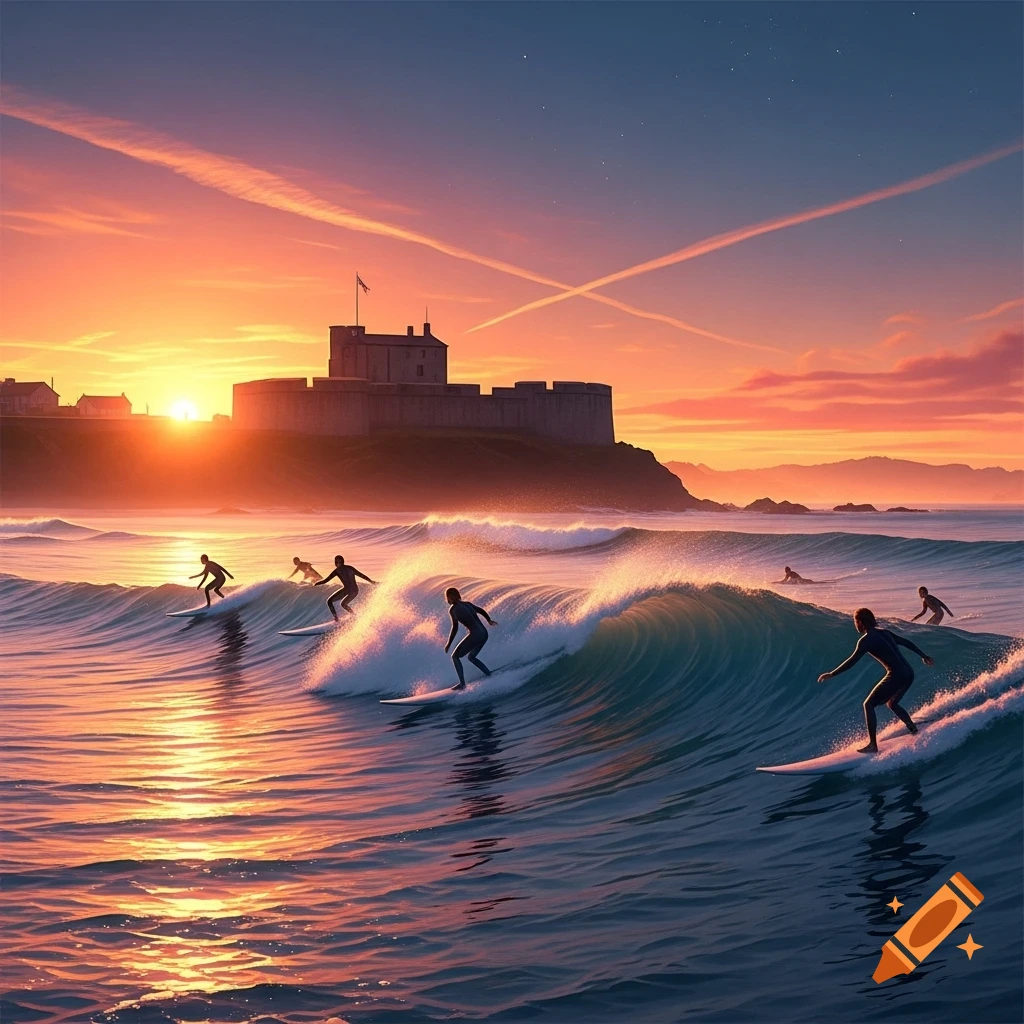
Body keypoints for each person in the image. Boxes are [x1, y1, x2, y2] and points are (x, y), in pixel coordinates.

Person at [817, 607, 934, 754]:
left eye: (855, 621)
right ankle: (912, 728)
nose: (855, 625)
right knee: (892, 703)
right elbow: (905, 642)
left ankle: (873, 745)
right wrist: (923, 655)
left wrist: (832, 673)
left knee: (868, 704)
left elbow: (852, 661)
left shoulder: (865, 640)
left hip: (896, 675)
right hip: (908, 672)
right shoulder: (884, 632)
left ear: (860, 622)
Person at [444, 587, 498, 690]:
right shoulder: (468, 604)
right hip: (484, 633)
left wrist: (449, 643)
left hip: (475, 635)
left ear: (450, 597)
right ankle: (488, 673)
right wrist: (489, 620)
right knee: (471, 657)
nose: (448, 600)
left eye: (448, 597)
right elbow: (481, 610)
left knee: (455, 657)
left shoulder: (453, 609)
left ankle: (462, 684)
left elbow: (455, 627)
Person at [314, 555, 377, 619]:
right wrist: (371, 582)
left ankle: (336, 619)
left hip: (348, 590)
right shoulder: (350, 568)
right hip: (355, 591)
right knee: (343, 604)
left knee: (329, 601)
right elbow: (362, 575)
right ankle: (354, 615)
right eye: (337, 562)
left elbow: (325, 580)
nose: (338, 563)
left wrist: (317, 583)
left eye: (338, 562)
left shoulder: (337, 571)